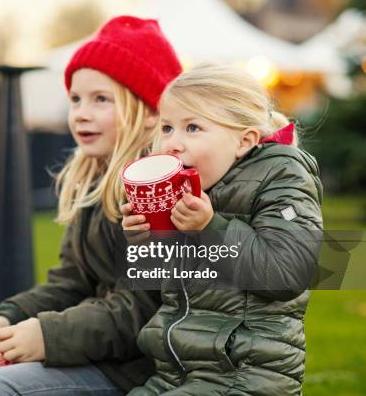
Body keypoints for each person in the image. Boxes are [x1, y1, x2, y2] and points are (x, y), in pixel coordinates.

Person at [0, 15, 183, 396]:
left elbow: (143, 310)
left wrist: (47, 335)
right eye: (75, 99)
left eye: (101, 99)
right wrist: (9, 316)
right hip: (97, 351)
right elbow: (70, 281)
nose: (80, 113)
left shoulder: (156, 191)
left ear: (150, 112)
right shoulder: (94, 176)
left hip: (140, 369)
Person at [121, 63, 323, 395]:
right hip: (176, 371)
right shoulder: (198, 187)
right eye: (167, 127)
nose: (173, 143)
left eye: (193, 128)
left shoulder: (283, 178)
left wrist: (209, 227)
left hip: (244, 373)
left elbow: (288, 274)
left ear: (243, 141)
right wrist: (144, 239)